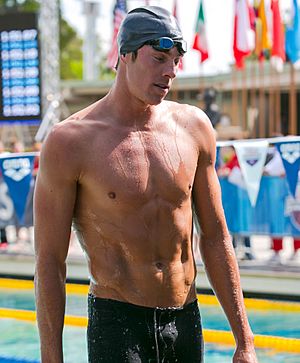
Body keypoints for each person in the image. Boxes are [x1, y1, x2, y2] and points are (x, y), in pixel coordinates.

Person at [34, 6, 257, 363]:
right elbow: (49, 260)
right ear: (126, 55)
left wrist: (244, 341)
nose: (170, 72)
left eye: (175, 61)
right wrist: (51, 357)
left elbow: (215, 236)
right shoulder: (70, 142)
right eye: (158, 59)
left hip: (185, 319)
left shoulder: (194, 128)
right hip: (118, 324)